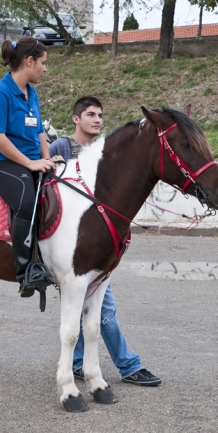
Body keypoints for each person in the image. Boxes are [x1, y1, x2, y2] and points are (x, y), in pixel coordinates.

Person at [48, 96, 161, 386]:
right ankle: (128, 365)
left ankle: (76, 363)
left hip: (98, 238)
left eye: (100, 114)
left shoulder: (106, 149)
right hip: (72, 241)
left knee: (90, 306)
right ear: (76, 119)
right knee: (102, 307)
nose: (97, 119)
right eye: (90, 114)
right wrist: (53, 163)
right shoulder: (62, 146)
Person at [0, 37, 61, 298]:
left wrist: (48, 159)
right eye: (43, 63)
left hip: (31, 160)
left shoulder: (31, 92)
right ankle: (25, 270)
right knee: (27, 200)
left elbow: (39, 131)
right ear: (29, 62)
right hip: (2, 163)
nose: (46, 69)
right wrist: (29, 163)